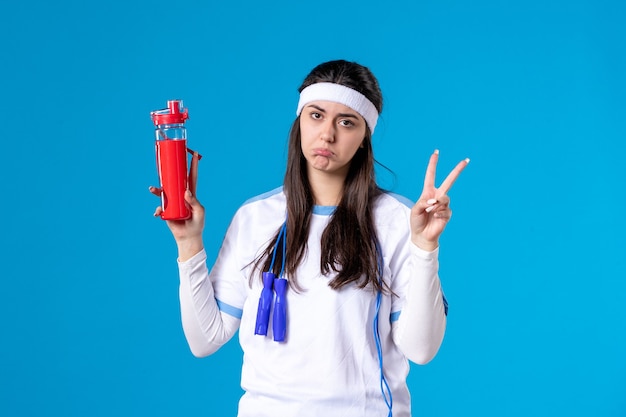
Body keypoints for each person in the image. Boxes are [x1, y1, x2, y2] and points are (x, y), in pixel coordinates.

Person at [149, 59, 469, 417]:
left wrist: (425, 248)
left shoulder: (397, 220)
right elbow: (204, 339)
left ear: (365, 138)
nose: (327, 134)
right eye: (316, 115)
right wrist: (189, 244)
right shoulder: (255, 217)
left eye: (346, 122)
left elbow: (421, 350)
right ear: (298, 122)